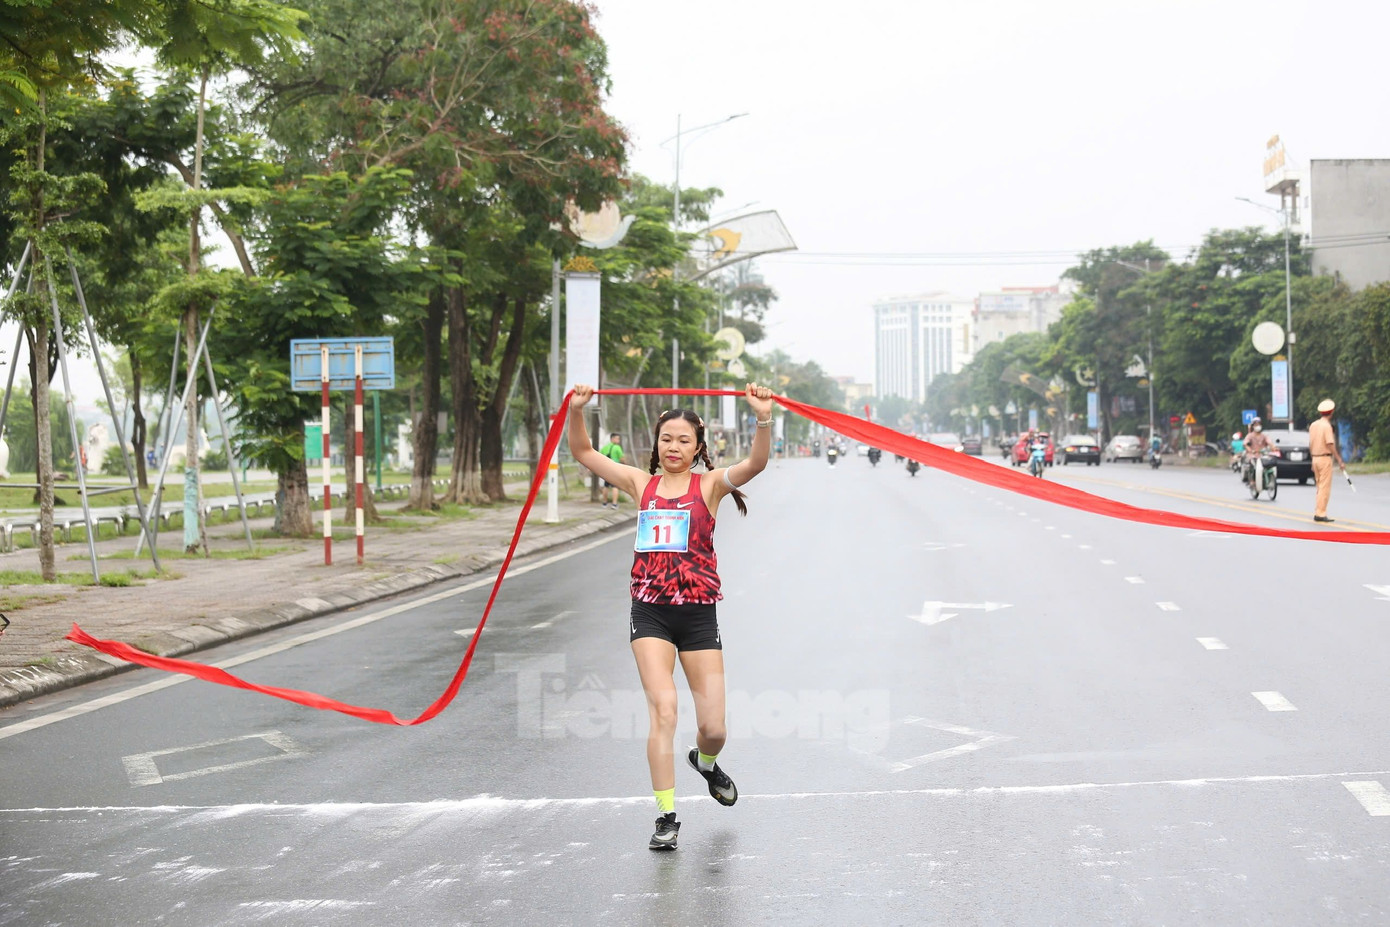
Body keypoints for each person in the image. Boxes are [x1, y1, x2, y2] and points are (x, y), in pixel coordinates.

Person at [567, 382, 774, 852]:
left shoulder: (711, 485)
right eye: (666, 439)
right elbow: (582, 450)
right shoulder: (642, 484)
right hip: (651, 614)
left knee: (715, 728)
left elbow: (757, 463)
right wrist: (578, 410)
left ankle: (704, 761)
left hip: (699, 616)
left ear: (698, 447)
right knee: (663, 710)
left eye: (684, 440)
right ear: (655, 444)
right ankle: (667, 816)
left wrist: (762, 417)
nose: (674, 447)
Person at [1309, 398, 1347, 523]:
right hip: (1325, 458)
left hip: (1315, 458)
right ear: (1331, 412)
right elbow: (1330, 444)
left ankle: (1317, 510)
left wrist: (1312, 459)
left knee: (1319, 486)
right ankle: (1320, 513)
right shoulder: (1327, 426)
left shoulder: (1313, 425)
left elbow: (1311, 443)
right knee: (1324, 487)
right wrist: (1339, 459)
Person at [597, 432, 625, 508]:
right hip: (615, 469)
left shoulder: (605, 447)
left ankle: (604, 503)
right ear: (612, 439)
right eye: (617, 438)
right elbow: (622, 458)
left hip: (606, 469)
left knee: (606, 486)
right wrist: (624, 464)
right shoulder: (617, 447)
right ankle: (614, 504)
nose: (618, 440)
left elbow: (600, 457)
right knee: (615, 486)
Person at [1242, 418, 1272, 490]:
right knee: (1252, 464)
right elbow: (1245, 444)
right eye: (1256, 425)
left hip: (1262, 455)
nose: (1257, 426)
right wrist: (1251, 450)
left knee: (1270, 463)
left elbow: (1269, 442)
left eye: (1259, 424)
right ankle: (1252, 480)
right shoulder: (1250, 436)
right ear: (1253, 426)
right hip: (1252, 455)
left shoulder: (1264, 436)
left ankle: (1268, 478)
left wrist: (1273, 447)